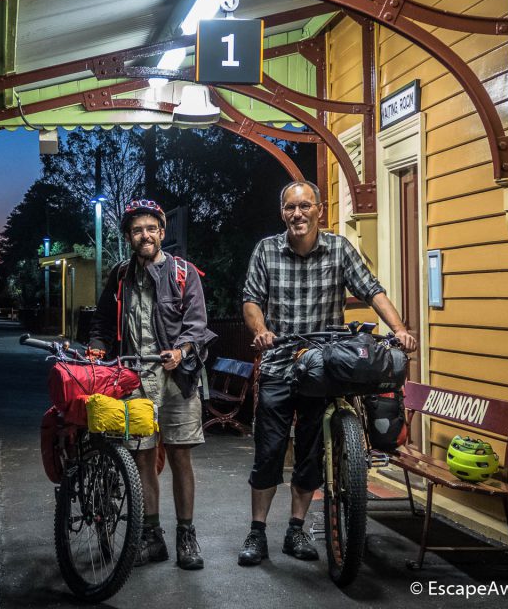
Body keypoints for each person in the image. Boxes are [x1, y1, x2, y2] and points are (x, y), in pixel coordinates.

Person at [239, 180, 417, 566]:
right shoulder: (267, 250)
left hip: (324, 363)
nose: (298, 214)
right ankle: (257, 532)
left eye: (305, 206)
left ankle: (296, 529)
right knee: (269, 450)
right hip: (279, 360)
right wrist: (261, 331)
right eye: (290, 207)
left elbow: (372, 290)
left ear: (320, 209)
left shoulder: (338, 248)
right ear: (282, 212)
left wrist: (399, 329)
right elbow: (251, 299)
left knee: (311, 451)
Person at [88, 199, 217, 571]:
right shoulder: (119, 276)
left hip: (177, 379)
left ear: (162, 233)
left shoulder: (183, 273)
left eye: (151, 228)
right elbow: (100, 322)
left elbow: (197, 325)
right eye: (136, 230)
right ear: (129, 236)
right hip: (133, 378)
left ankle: (186, 536)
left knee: (179, 457)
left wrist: (182, 351)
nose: (144, 235)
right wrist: (97, 349)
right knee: (143, 458)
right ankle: (152, 536)